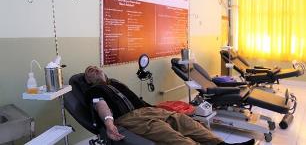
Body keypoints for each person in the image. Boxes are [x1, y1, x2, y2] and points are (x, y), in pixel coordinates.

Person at [84, 66, 255, 145]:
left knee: (188, 123)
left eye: (96, 68)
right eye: (90, 71)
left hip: (149, 109)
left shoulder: (115, 82)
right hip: (130, 119)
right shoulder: (94, 90)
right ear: (88, 80)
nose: (95, 70)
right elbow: (101, 106)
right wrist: (108, 123)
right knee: (172, 136)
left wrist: (155, 108)